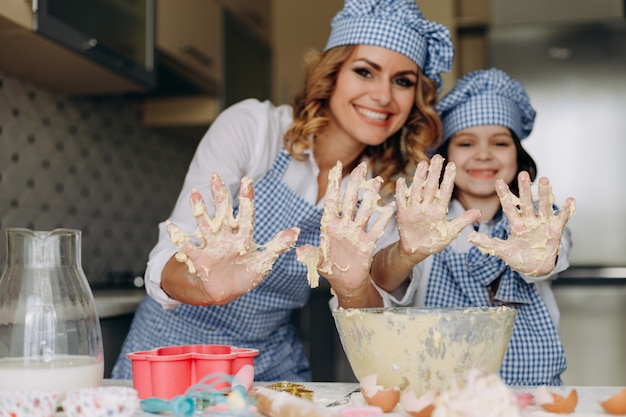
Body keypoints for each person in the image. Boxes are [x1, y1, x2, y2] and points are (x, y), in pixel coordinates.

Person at [112, 0, 454, 382]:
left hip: (269, 358)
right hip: (173, 349)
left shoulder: (383, 190)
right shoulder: (253, 131)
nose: (384, 96)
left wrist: (373, 274)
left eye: (403, 81)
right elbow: (166, 259)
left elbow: (370, 312)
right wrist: (206, 285)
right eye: (365, 72)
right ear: (332, 74)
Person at [370, 68, 577, 385]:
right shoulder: (419, 219)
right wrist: (405, 251)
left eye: (499, 143)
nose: (483, 154)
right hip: (437, 392)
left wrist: (539, 258)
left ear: (518, 156)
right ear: (444, 156)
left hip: (530, 395)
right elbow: (383, 281)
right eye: (466, 143)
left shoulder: (539, 218)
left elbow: (555, 253)